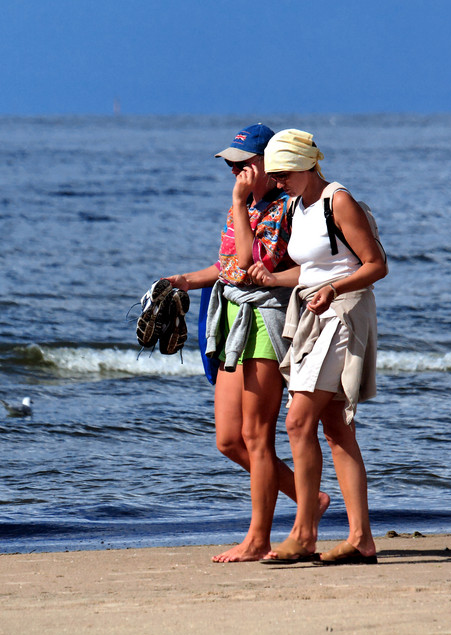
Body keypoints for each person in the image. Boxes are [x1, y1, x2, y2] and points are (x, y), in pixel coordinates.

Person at [164, 124, 329, 563]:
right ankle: (306, 497)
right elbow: (227, 268)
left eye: (242, 164)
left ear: (266, 164)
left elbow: (251, 262)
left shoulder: (281, 207)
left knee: (257, 435)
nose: (234, 173)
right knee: (228, 440)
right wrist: (182, 281)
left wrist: (239, 205)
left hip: (266, 319)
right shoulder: (247, 204)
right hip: (233, 319)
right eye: (230, 166)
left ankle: (258, 538)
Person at [251, 129, 387, 565]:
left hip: (344, 313)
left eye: (284, 173)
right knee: (335, 428)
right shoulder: (297, 205)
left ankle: (305, 532)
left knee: (297, 422)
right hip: (314, 311)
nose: (278, 181)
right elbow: (311, 269)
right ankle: (361, 540)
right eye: (273, 174)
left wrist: (333, 289)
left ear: (307, 164)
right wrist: (274, 279)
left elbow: (376, 265)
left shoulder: (338, 200)